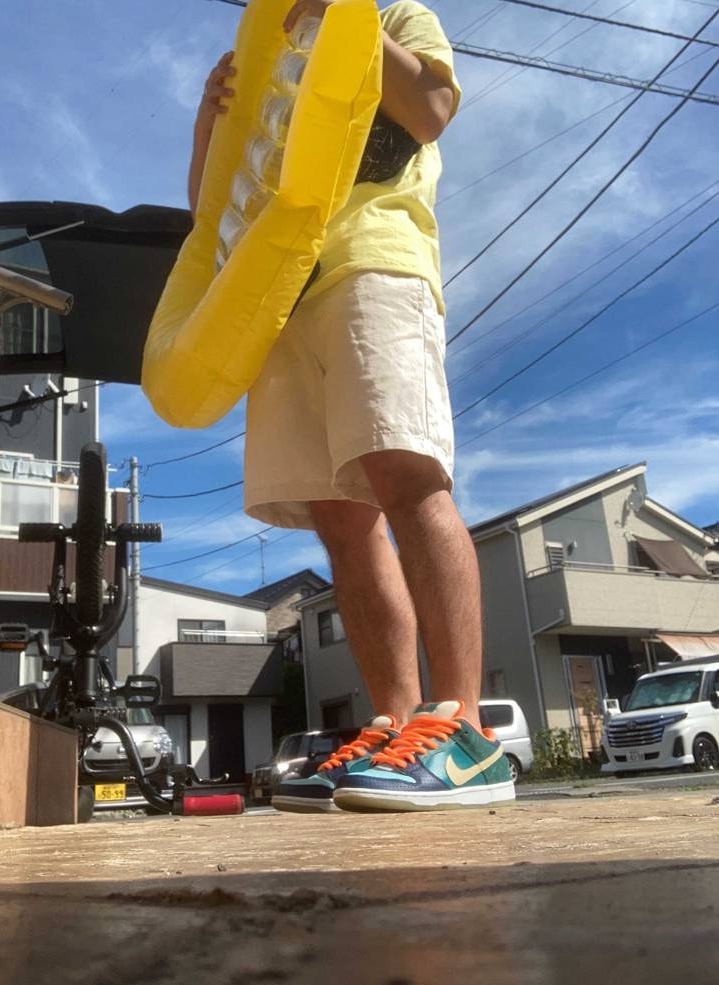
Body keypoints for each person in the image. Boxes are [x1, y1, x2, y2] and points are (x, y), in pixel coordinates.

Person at [189, 1, 514, 813]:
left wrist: (348, 26)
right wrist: (209, 114)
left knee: (406, 472)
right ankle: (395, 723)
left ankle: (465, 730)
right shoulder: (263, 49)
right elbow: (209, 203)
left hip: (375, 256)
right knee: (341, 516)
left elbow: (432, 109)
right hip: (281, 293)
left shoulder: (395, 10)